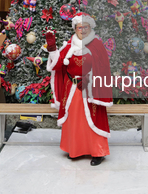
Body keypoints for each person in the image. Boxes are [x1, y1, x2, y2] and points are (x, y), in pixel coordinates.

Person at [46, 13, 113, 166]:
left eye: (85, 27)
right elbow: (57, 65)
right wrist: (52, 49)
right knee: (74, 120)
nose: (82, 30)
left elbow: (103, 70)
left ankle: (98, 152)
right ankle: (75, 149)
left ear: (90, 28)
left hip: (90, 91)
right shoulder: (69, 46)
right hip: (71, 89)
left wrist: (89, 80)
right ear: (75, 29)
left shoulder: (97, 45)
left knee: (93, 120)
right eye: (79, 27)